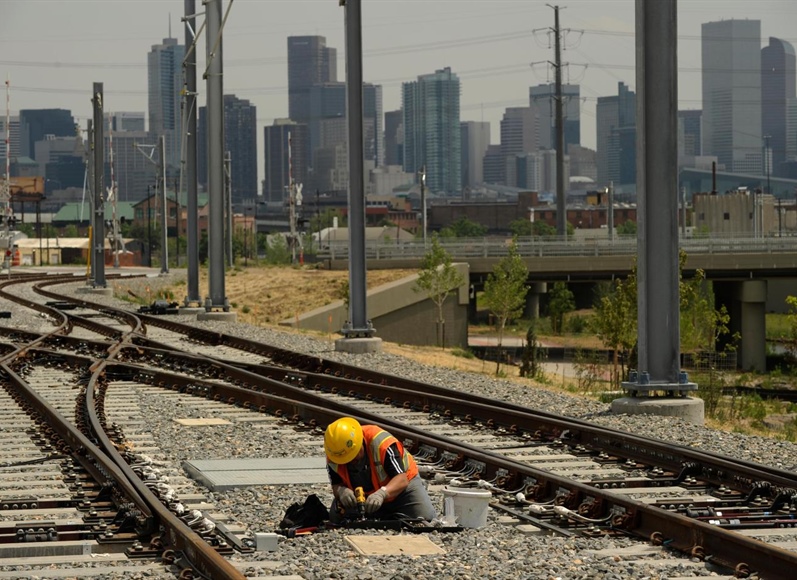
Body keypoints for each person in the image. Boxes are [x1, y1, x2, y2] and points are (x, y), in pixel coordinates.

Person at [324, 416, 437, 523]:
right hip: (363, 498)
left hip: (401, 487)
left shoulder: (382, 443)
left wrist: (382, 494)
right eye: (346, 459)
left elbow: (402, 479)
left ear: (360, 442)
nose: (351, 461)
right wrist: (341, 491)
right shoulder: (335, 454)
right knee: (335, 518)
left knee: (425, 516)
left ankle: (388, 510)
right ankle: (381, 513)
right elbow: (336, 484)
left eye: (353, 455)